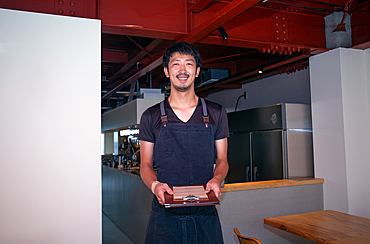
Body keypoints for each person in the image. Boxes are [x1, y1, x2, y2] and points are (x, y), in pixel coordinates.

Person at [138, 42, 229, 244]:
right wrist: (155, 186)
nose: (182, 69)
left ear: (197, 71)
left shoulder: (216, 113)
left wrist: (217, 179)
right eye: (176, 64)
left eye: (188, 64)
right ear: (166, 71)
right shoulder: (150, 116)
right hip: (164, 220)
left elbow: (222, 159)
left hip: (205, 218)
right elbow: (145, 165)